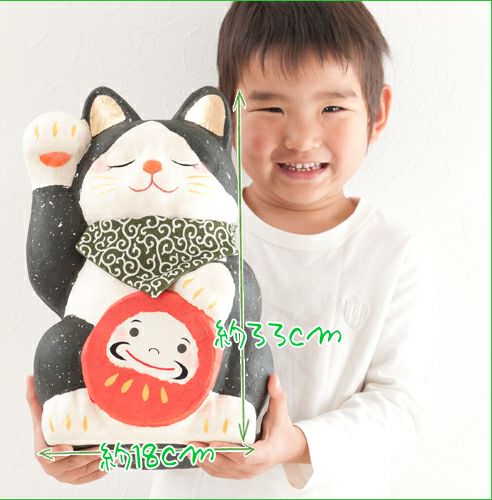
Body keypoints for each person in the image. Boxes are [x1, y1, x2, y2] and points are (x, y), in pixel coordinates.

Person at [26, 2, 438, 497]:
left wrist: (294, 444)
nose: (301, 137)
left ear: (377, 112)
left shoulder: (394, 253)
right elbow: (113, 336)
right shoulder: (174, 229)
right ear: (229, 116)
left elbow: (400, 405)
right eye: (271, 107)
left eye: (332, 108)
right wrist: (73, 434)